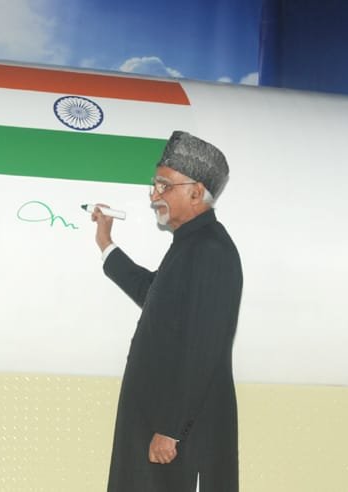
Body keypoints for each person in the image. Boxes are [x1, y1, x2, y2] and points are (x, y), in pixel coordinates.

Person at [91, 131, 243, 492]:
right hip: (163, 426)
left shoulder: (211, 250)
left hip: (183, 436)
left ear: (195, 191)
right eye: (154, 184)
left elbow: (204, 347)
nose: (153, 195)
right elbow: (154, 294)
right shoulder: (189, 246)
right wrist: (106, 245)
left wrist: (171, 429)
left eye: (164, 185)